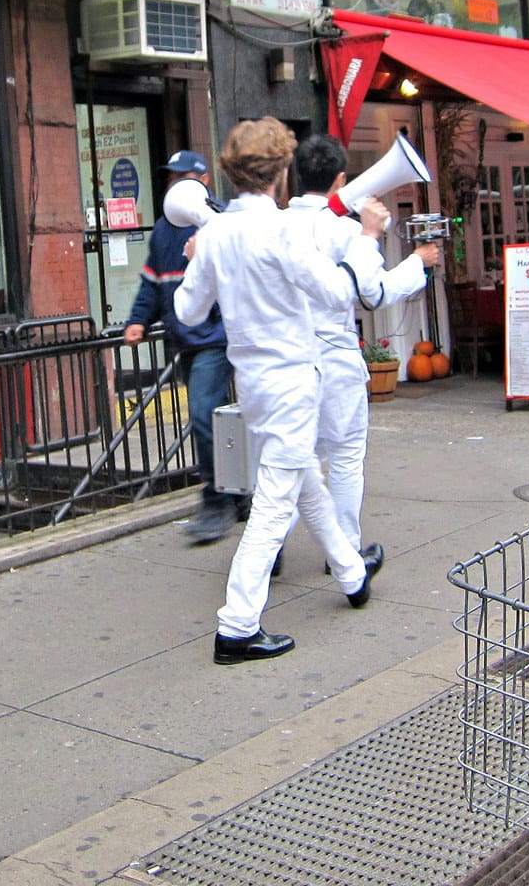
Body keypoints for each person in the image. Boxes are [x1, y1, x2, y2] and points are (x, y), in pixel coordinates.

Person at [175, 118, 387, 665]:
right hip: (294, 378)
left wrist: (197, 259)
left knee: (303, 479)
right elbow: (339, 294)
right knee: (274, 502)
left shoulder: (218, 233)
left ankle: (351, 573)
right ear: (281, 172)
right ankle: (237, 626)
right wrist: (363, 243)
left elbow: (187, 311)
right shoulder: (282, 231)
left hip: (252, 384)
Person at [286, 135, 439, 555]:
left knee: (297, 461)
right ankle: (345, 551)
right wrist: (416, 264)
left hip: (290, 361)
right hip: (334, 359)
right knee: (346, 455)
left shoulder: (280, 223)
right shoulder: (344, 230)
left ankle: (273, 544)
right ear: (340, 178)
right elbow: (372, 294)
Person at [123, 150, 238, 544]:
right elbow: (153, 283)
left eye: (182, 176)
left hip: (214, 340)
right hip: (187, 340)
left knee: (205, 415)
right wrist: (138, 319)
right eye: (171, 177)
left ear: (204, 180)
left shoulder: (220, 221)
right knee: (220, 419)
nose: (174, 183)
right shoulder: (163, 230)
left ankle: (216, 501)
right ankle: (238, 494)